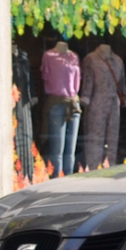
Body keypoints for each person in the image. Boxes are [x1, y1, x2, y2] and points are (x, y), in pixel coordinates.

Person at [76, 39, 126, 169]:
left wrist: (124, 96)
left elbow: (122, 81)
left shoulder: (118, 60)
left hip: (114, 101)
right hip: (97, 99)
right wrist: (86, 96)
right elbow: (88, 79)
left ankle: (111, 165)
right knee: (96, 136)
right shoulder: (91, 59)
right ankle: (93, 167)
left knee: (113, 136)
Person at [39, 35, 82, 173]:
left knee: (71, 150)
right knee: (57, 150)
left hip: (74, 104)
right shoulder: (48, 56)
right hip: (57, 102)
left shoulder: (74, 56)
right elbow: (45, 76)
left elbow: (78, 78)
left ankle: (69, 181)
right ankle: (56, 182)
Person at [9, 40, 38, 182]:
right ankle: (16, 171)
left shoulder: (23, 56)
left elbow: (29, 78)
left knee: (26, 133)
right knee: (13, 133)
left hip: (24, 99)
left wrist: (32, 95)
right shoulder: (5, 56)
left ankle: (27, 171)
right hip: (11, 99)